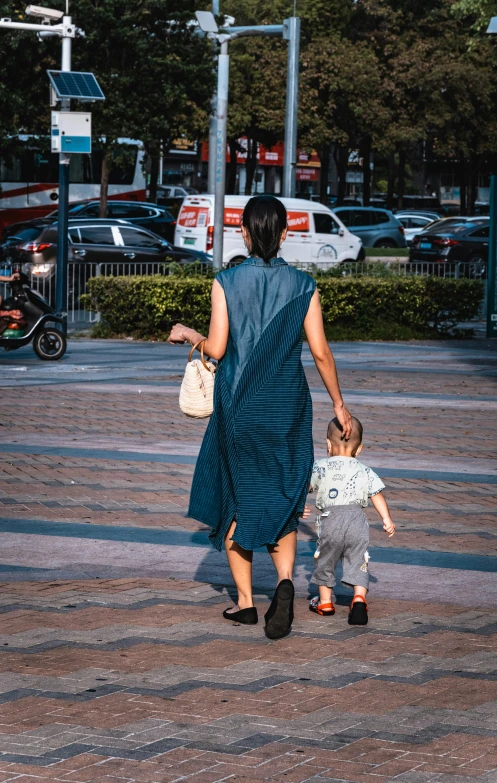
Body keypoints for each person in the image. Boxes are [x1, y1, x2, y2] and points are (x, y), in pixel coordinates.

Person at [168, 195, 352, 640]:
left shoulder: (226, 281)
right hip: (287, 406)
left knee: (236, 496)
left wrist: (187, 333)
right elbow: (321, 353)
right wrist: (340, 405)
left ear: (246, 234)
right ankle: (286, 582)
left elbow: (216, 348)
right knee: (284, 500)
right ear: (286, 234)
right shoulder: (305, 286)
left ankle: (247, 604)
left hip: (240, 408)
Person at [308, 416, 395, 625]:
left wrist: (297, 507)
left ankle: (325, 602)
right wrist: (386, 519)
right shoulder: (365, 470)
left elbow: (305, 487)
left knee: (326, 560)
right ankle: (358, 598)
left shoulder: (320, 467)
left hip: (331, 520)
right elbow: (376, 495)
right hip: (357, 520)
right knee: (358, 561)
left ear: (328, 444)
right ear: (360, 448)